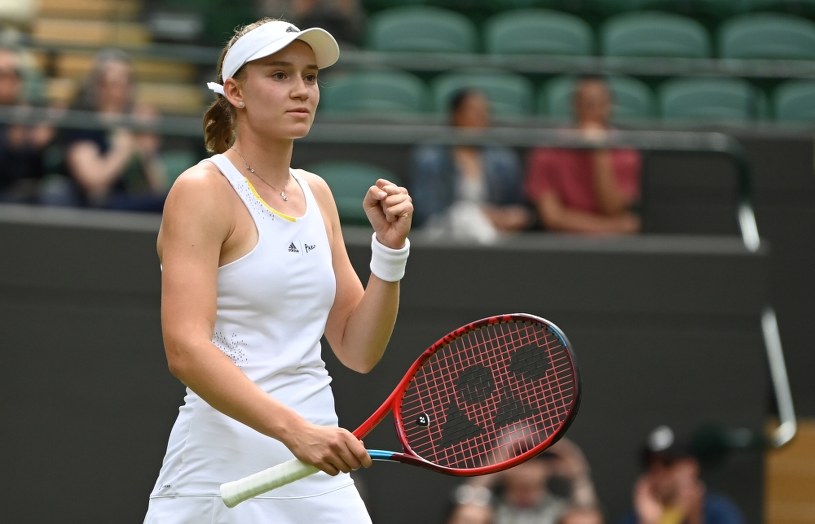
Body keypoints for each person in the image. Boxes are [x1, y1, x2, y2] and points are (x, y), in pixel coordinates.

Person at [143, 17, 413, 523]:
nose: (301, 90)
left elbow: (358, 349)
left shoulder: (317, 193)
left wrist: (389, 252)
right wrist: (295, 432)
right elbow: (185, 348)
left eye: (310, 77)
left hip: (316, 468)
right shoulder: (201, 191)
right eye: (280, 75)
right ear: (235, 91)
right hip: (219, 474)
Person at [409, 88, 534, 243]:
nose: (480, 117)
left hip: (494, 230)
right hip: (442, 232)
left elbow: (517, 208)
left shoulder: (503, 159)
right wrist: (482, 214)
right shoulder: (430, 157)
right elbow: (426, 212)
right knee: (466, 215)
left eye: (485, 111)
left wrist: (505, 217)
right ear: (456, 114)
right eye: (473, 111)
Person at [525, 75, 642, 235]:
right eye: (587, 104)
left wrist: (600, 153)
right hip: (563, 241)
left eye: (599, 103)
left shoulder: (626, 154)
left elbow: (613, 209)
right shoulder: (548, 150)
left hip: (612, 246)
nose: (593, 110)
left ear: (610, 106)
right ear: (574, 105)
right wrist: (613, 227)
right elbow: (552, 218)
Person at [54, 48, 167, 211]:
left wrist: (148, 152)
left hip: (132, 200)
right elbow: (93, 182)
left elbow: (157, 186)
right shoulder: (84, 122)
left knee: (170, 202)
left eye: (127, 82)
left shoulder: (134, 122)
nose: (121, 90)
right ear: (98, 85)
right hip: (96, 205)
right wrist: (125, 147)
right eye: (114, 83)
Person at [454, 437, 599, 524]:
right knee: (471, 514)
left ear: (549, 466)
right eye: (517, 457)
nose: (526, 465)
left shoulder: (563, 512)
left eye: (536, 458)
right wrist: (490, 469)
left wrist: (579, 477)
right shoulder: (487, 512)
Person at [618, 425, 745, 524]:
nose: (658, 471)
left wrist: (695, 519)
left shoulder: (718, 511)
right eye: (650, 464)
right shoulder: (636, 517)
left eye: (668, 463)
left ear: (691, 467)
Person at [0, 43, 54, 204]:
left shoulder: (34, 111)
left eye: (16, 75)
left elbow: (40, 165)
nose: (12, 81)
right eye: (3, 75)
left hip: (27, 195)